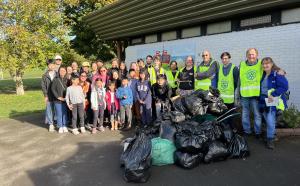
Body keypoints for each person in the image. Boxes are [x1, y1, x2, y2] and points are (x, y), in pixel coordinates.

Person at [259, 57, 288, 149]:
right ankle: (271, 134)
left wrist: (274, 94)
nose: (265, 65)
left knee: (270, 120)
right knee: (266, 119)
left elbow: (284, 86)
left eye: (267, 63)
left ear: (272, 64)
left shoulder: (277, 74)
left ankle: (270, 139)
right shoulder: (262, 74)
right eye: (263, 63)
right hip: (262, 100)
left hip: (272, 99)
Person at [51, 67, 68, 133]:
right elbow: (53, 89)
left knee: (64, 113)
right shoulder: (55, 79)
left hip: (65, 99)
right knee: (59, 113)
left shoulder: (67, 79)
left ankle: (64, 125)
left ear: (65, 72)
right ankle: (60, 126)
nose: (62, 72)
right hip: (58, 100)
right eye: (61, 70)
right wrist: (58, 97)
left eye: (64, 70)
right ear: (58, 71)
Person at [41, 59, 57, 132]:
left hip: (57, 95)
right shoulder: (44, 75)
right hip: (49, 95)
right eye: (50, 65)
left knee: (56, 109)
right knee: (49, 109)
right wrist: (45, 95)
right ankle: (51, 124)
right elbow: (43, 86)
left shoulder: (57, 74)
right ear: (48, 66)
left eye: (53, 64)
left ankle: (56, 122)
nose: (52, 66)